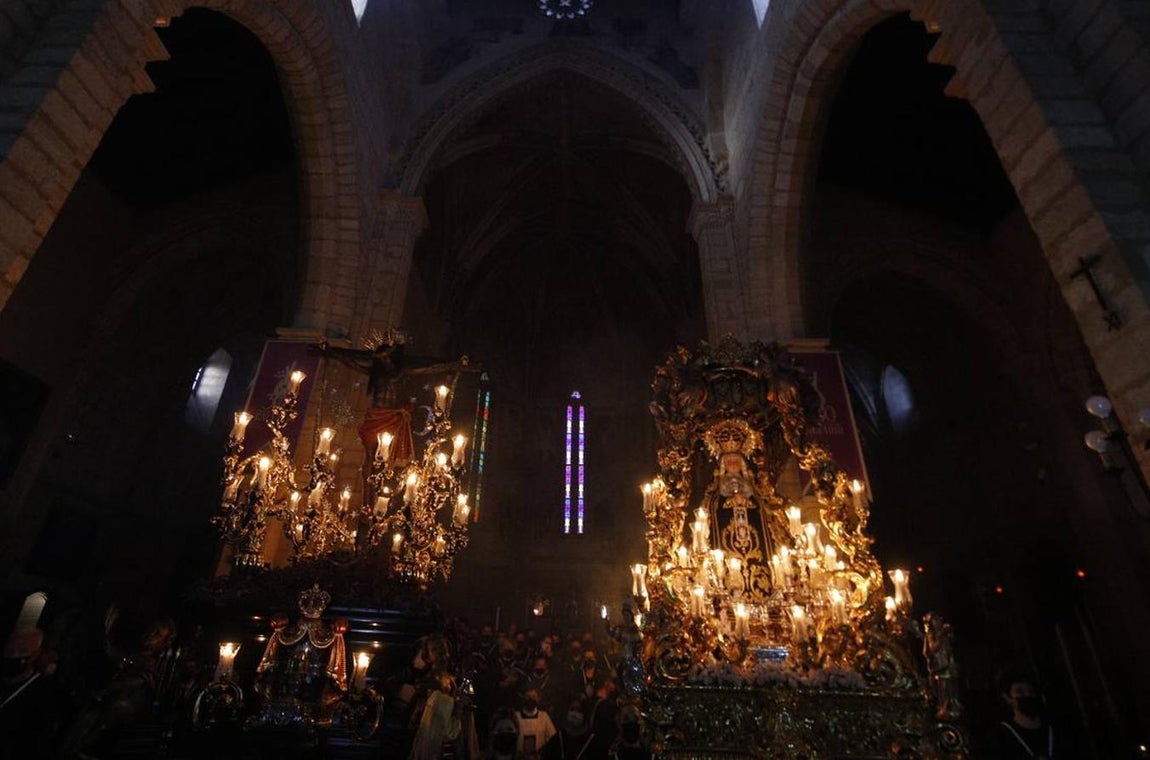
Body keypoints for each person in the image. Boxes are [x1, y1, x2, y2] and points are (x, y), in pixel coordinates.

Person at [990, 674, 1054, 759]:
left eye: (1031, 691)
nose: (1027, 695)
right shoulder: (1002, 736)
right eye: (1020, 692)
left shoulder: (1053, 727)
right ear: (1007, 698)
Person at [516, 687, 557, 760]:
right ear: (524, 698)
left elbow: (553, 740)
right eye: (528, 696)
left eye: (534, 697)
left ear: (538, 699)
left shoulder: (544, 716)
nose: (531, 699)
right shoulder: (515, 716)